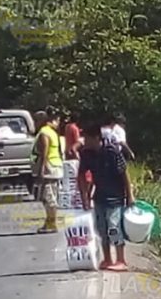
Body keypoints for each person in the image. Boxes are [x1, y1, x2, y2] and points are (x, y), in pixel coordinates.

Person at [78, 122, 135, 271]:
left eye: (87, 138)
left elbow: (124, 173)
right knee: (101, 228)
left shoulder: (112, 152)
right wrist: (84, 196)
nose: (85, 141)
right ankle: (107, 259)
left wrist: (130, 196)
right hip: (99, 196)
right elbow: (81, 175)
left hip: (115, 196)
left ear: (97, 138)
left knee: (114, 227)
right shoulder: (86, 154)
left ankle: (121, 260)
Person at [32, 110, 64, 233]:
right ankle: (49, 223)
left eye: (35, 121)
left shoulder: (44, 132)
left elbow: (44, 151)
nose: (34, 124)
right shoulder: (52, 132)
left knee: (48, 197)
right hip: (56, 166)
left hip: (49, 167)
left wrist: (42, 169)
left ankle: (51, 224)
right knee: (51, 196)